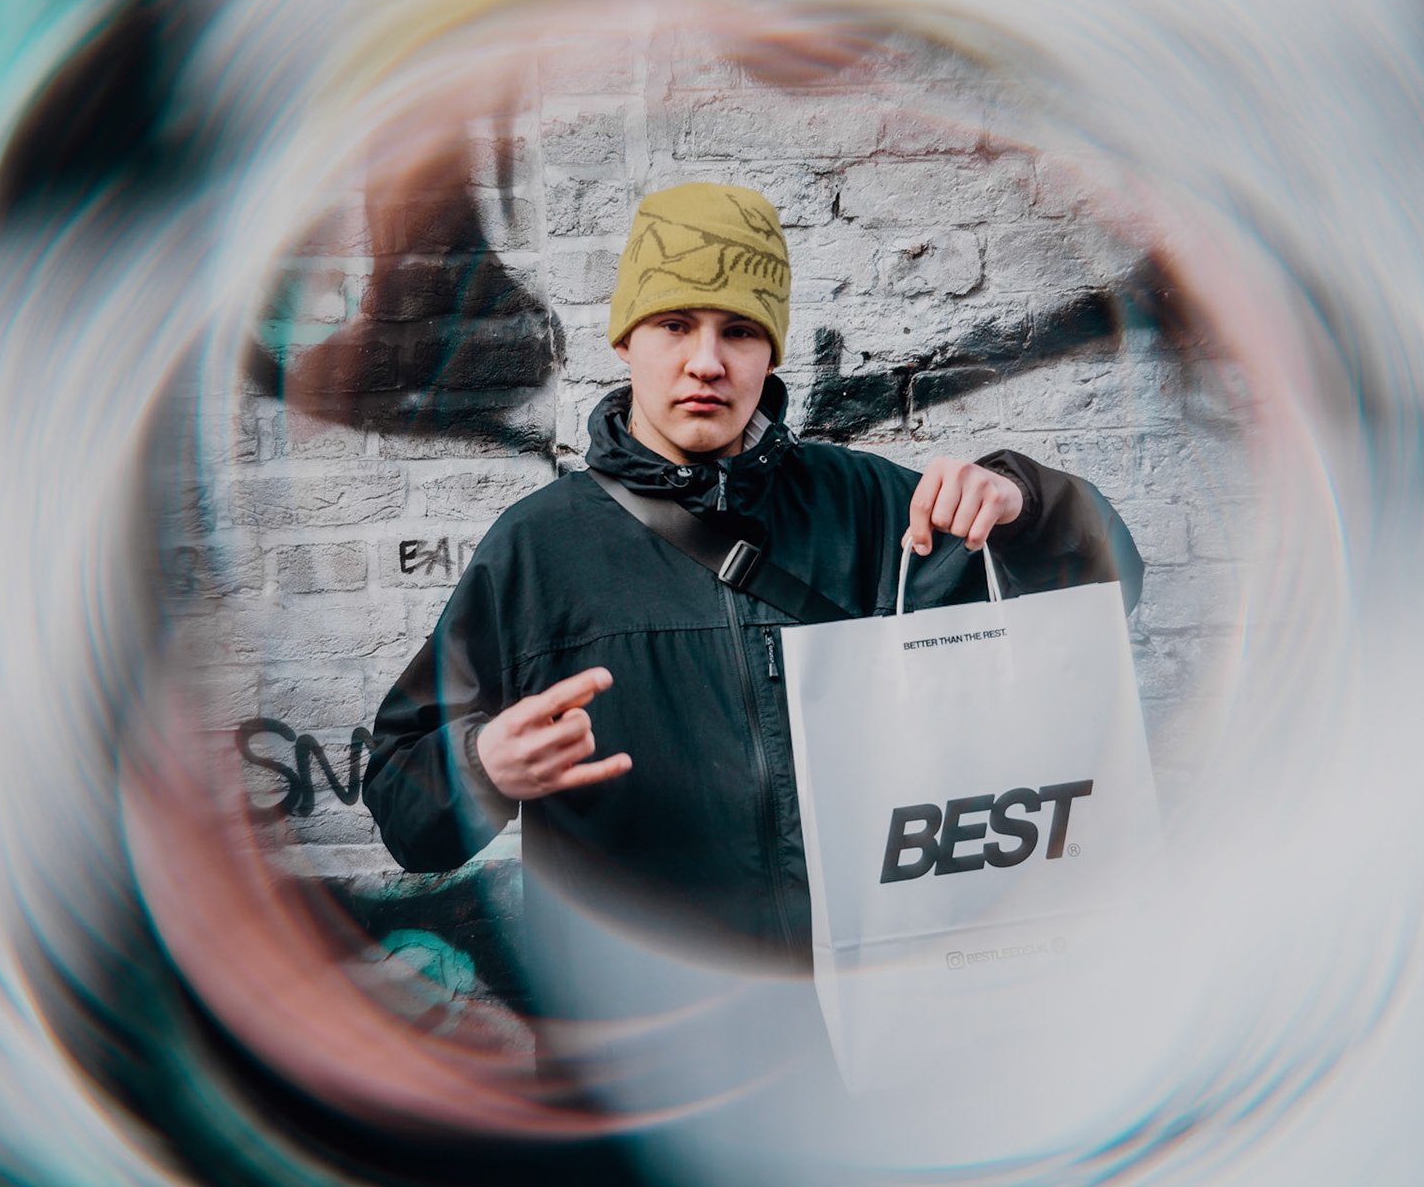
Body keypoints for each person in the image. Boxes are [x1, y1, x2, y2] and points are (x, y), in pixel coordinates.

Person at [362, 182, 1142, 1019]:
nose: (707, 362)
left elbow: (1101, 597)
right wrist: (482, 765)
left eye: (738, 330)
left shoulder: (869, 510)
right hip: (640, 1048)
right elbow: (404, 808)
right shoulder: (537, 549)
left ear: (771, 351)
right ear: (626, 340)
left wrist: (1022, 502)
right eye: (675, 325)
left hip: (860, 1025)